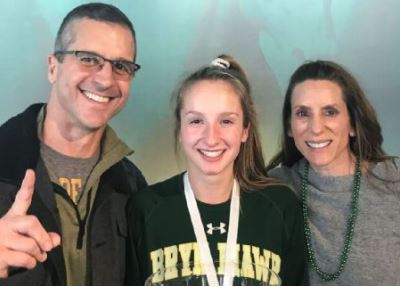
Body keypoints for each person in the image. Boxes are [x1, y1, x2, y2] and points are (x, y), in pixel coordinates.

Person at [126, 55, 307, 286]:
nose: (211, 138)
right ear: (180, 130)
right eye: (196, 121)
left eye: (226, 121)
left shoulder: (281, 207)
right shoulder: (145, 208)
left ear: (244, 131)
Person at [0, 3, 147, 285]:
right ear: (53, 67)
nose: (105, 79)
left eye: (120, 66)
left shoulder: (133, 186)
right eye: (88, 58)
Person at [267, 60, 400, 285]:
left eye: (330, 112)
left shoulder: (394, 179)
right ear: (290, 126)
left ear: (352, 124)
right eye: (302, 113)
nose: (316, 128)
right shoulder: (273, 187)